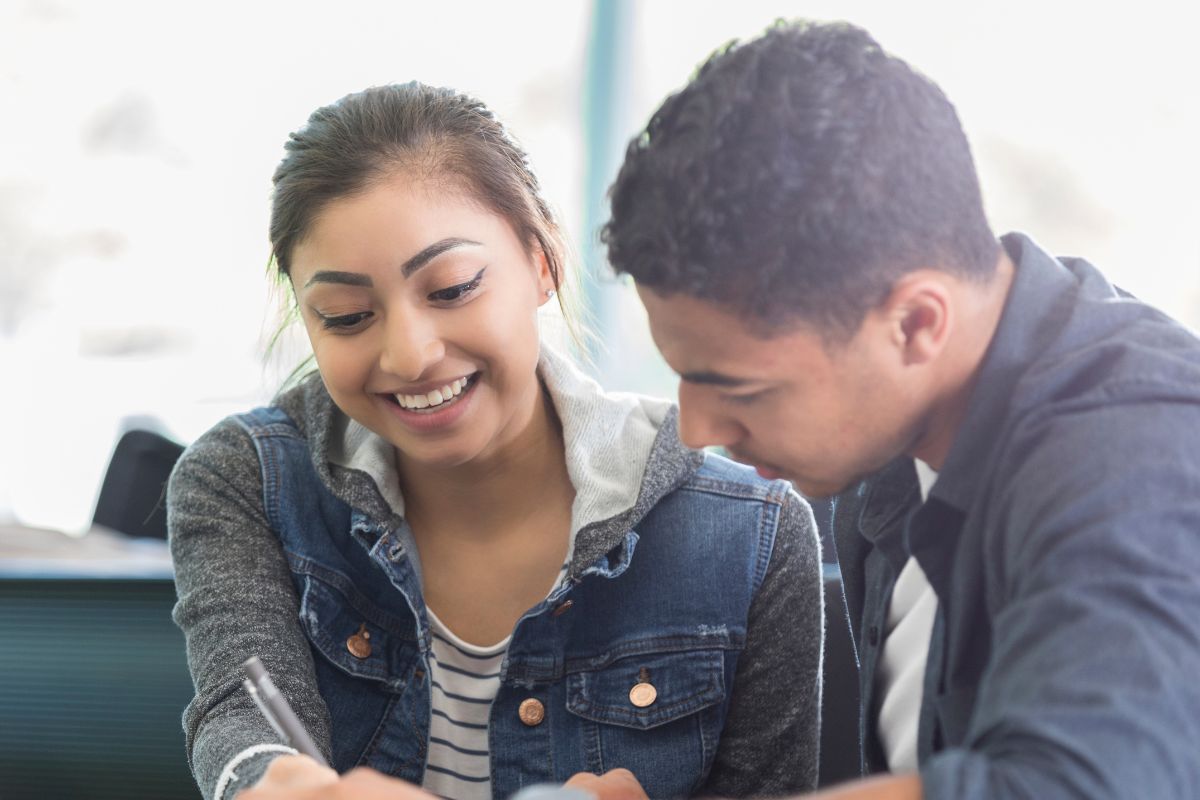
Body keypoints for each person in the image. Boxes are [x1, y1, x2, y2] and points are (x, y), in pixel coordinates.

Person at [583, 18, 1200, 800]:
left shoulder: (1137, 452)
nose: (699, 431)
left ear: (916, 323)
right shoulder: (886, 445)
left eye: (740, 388)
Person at [166, 82, 823, 800]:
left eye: (451, 289)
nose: (410, 356)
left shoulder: (750, 535)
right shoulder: (245, 482)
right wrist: (272, 785)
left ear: (542, 264)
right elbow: (241, 721)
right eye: (347, 316)